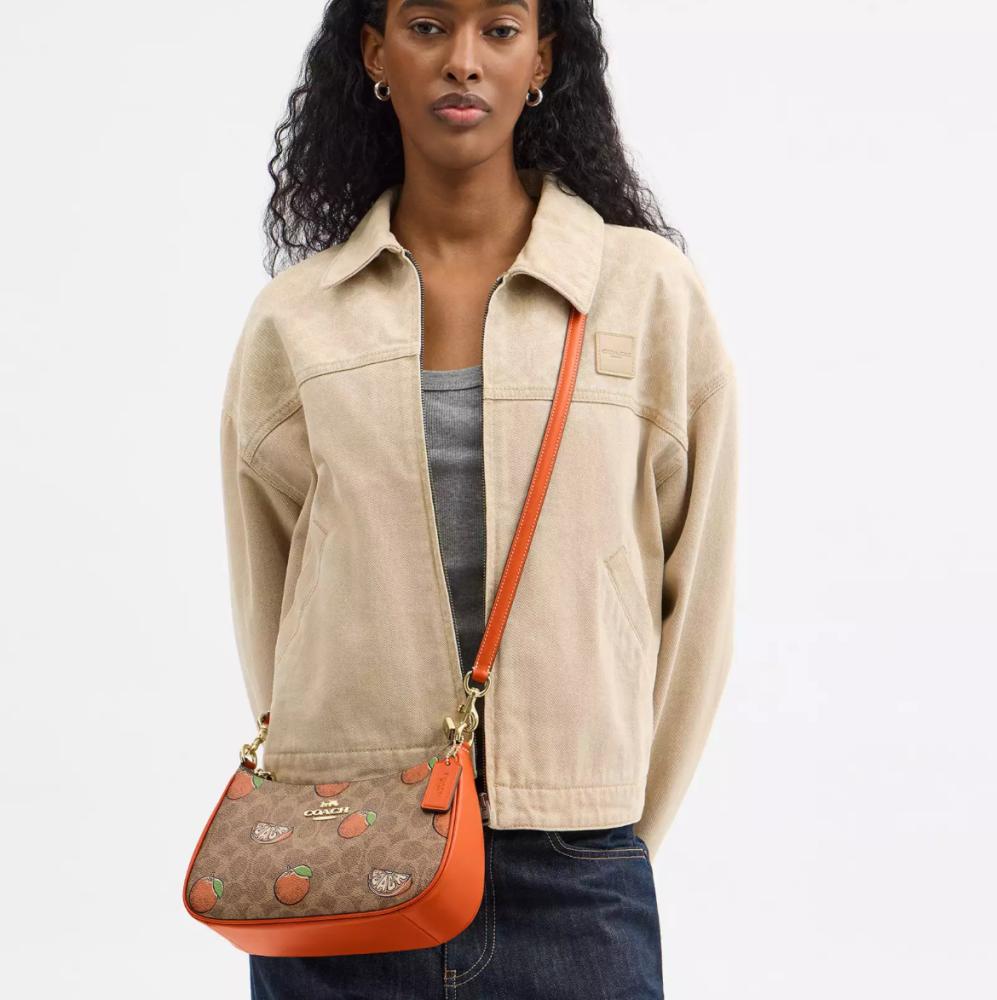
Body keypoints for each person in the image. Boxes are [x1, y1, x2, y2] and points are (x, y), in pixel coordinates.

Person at [221, 2, 739, 997]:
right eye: (427, 25)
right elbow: (272, 609)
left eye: (499, 29)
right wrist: (338, 779)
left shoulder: (645, 293)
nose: (463, 61)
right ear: (374, 51)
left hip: (573, 871)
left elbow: (698, 594)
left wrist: (611, 818)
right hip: (338, 863)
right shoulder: (297, 320)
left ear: (542, 58)